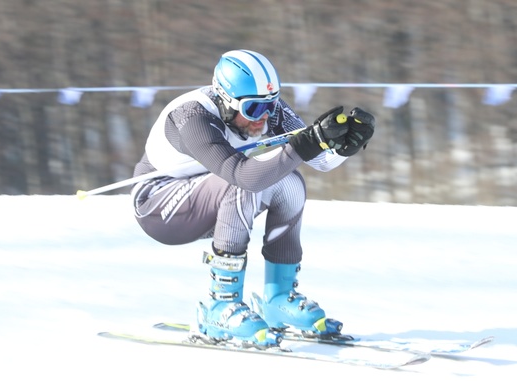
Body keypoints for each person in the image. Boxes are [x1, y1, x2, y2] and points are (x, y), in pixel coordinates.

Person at [131, 49, 375, 348]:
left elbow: (320, 161)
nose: (265, 118)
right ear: (225, 100)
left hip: (212, 198)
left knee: (289, 181)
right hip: (160, 207)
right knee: (247, 182)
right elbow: (243, 176)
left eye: (271, 107)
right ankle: (219, 306)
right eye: (255, 110)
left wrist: (340, 145)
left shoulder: (262, 105)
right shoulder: (192, 117)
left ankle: (278, 297)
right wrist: (306, 143)